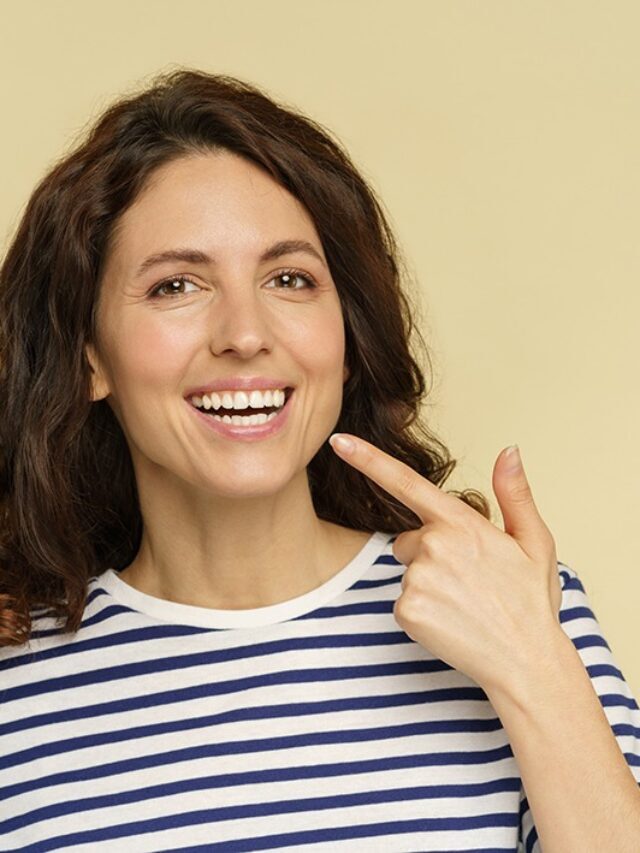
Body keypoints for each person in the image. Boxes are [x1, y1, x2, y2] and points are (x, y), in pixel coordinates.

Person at [0, 68, 638, 851]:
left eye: (290, 278)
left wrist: (535, 668)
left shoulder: (515, 607)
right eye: (176, 285)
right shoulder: (15, 684)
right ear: (88, 354)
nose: (245, 332)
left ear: (344, 340)